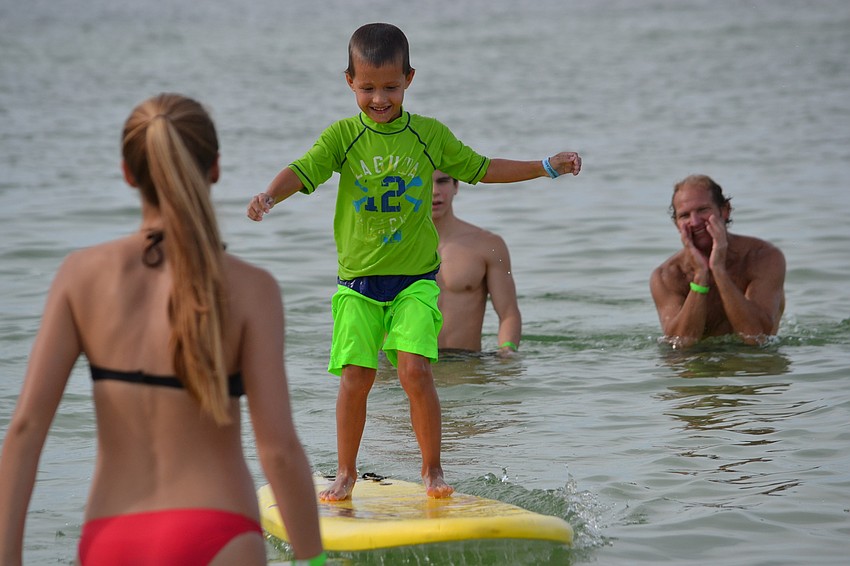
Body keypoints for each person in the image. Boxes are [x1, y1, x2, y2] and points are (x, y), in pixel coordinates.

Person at [246, 22, 581, 502]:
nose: (379, 99)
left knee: (415, 372)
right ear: (349, 82)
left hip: (415, 282)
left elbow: (482, 168)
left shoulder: (428, 135)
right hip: (357, 283)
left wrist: (544, 167)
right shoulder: (343, 137)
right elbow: (304, 170)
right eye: (367, 88)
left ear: (409, 79)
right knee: (356, 378)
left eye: (390, 87)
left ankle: (432, 471)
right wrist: (269, 195)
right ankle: (345, 472)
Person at [0, 94, 325, 565]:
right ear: (214, 169)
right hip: (221, 533)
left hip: (112, 538)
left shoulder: (80, 275)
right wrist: (313, 559)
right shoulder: (253, 289)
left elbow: (26, 431)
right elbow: (278, 450)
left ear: (129, 173)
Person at [650, 174, 785, 347]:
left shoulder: (763, 257)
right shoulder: (667, 276)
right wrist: (701, 275)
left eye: (703, 210)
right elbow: (681, 343)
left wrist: (719, 270)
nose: (695, 222)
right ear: (677, 224)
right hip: (698, 364)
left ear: (724, 210)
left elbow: (756, 337)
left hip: (753, 365)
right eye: (684, 215)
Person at [431, 170, 521, 355]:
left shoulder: (489, 245)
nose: (434, 191)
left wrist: (507, 352)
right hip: (401, 366)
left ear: (456, 185)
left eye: (442, 182)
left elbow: (508, 312)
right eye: (425, 182)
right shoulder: (390, 245)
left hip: (466, 364)